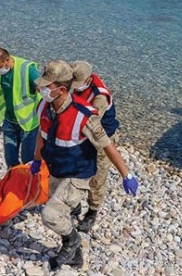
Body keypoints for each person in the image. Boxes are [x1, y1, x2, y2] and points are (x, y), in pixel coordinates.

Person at [29, 60, 138, 270]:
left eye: (46, 86)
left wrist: (127, 175)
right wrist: (37, 159)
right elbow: (41, 135)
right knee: (61, 210)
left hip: (78, 173)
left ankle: (72, 240)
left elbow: (107, 145)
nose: (40, 89)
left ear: (61, 89)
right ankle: (75, 255)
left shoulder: (84, 116)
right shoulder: (44, 106)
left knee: (50, 215)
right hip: (57, 167)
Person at [69, 60, 120, 233]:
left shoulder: (100, 96)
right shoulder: (76, 83)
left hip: (101, 136)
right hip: (81, 133)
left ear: (88, 80)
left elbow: (92, 124)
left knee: (98, 175)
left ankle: (92, 210)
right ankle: (74, 204)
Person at [0, 48, 41, 168]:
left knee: (28, 161)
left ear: (7, 60)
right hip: (9, 122)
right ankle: (14, 184)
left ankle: (29, 184)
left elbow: (45, 91)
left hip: (28, 125)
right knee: (10, 160)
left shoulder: (27, 70)